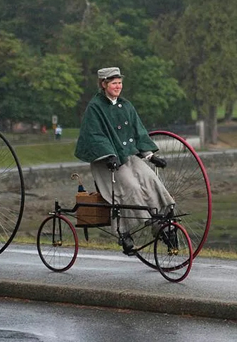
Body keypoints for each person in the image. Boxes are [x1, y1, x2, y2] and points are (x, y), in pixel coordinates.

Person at [75, 67, 175, 254]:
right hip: (107, 161)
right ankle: (124, 232)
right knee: (131, 187)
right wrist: (108, 154)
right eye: (114, 83)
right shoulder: (95, 107)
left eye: (120, 83)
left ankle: (162, 226)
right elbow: (94, 135)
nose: (118, 86)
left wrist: (151, 157)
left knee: (151, 180)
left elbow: (138, 132)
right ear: (104, 84)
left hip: (128, 155)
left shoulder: (126, 105)